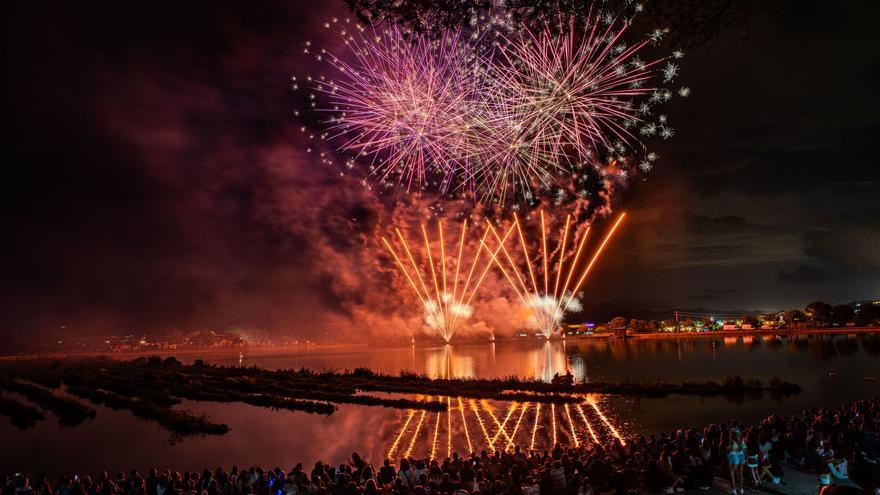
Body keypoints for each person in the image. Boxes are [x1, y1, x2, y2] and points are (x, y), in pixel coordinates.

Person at [727, 428, 746, 495]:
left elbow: (729, 450)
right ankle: (741, 489)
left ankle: (734, 490)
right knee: (740, 473)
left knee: (732, 473)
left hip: (734, 456)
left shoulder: (731, 441)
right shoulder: (742, 440)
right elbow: (744, 450)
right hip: (742, 456)